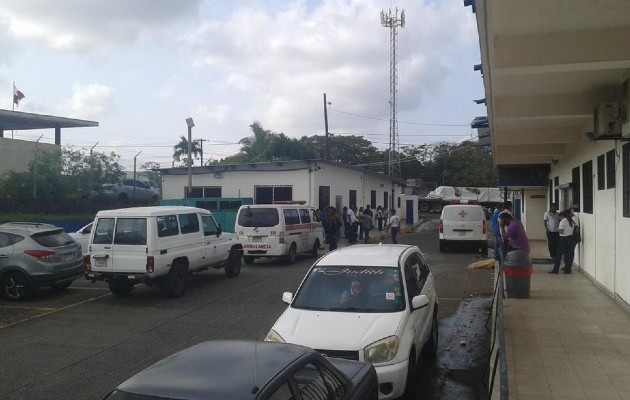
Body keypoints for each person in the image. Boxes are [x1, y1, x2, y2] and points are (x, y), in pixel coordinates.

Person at [551, 209, 578, 274]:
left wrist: (557, 230)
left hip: (563, 239)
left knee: (559, 255)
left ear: (563, 216)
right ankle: (568, 270)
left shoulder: (563, 221)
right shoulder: (572, 221)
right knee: (569, 255)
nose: (560, 218)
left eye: (560, 216)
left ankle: (555, 270)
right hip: (571, 239)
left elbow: (562, 231)